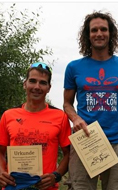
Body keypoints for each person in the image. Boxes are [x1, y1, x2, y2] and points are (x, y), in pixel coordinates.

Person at [63, 11, 118, 190]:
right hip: (85, 140)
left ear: (111, 34)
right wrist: (75, 118)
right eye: (94, 30)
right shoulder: (73, 67)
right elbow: (67, 103)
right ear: (87, 35)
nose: (99, 33)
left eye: (103, 29)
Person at [0, 62, 71, 190]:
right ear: (25, 84)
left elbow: (69, 154)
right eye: (32, 81)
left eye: (43, 83)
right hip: (14, 186)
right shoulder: (8, 115)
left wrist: (56, 175)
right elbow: (0, 151)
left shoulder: (60, 117)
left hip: (45, 187)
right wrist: (1, 172)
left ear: (49, 88)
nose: (37, 87)